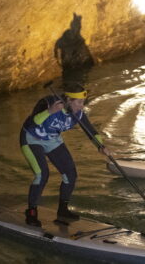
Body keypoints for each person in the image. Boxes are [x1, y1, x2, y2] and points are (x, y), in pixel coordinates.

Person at [19, 83, 107, 227]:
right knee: (42, 174)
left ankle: (62, 210)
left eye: (83, 102)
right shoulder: (47, 102)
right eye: (79, 102)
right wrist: (50, 111)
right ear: (68, 100)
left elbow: (90, 130)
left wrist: (101, 146)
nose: (81, 106)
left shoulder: (77, 113)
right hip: (31, 138)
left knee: (70, 174)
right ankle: (31, 212)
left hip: (52, 140)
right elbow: (34, 123)